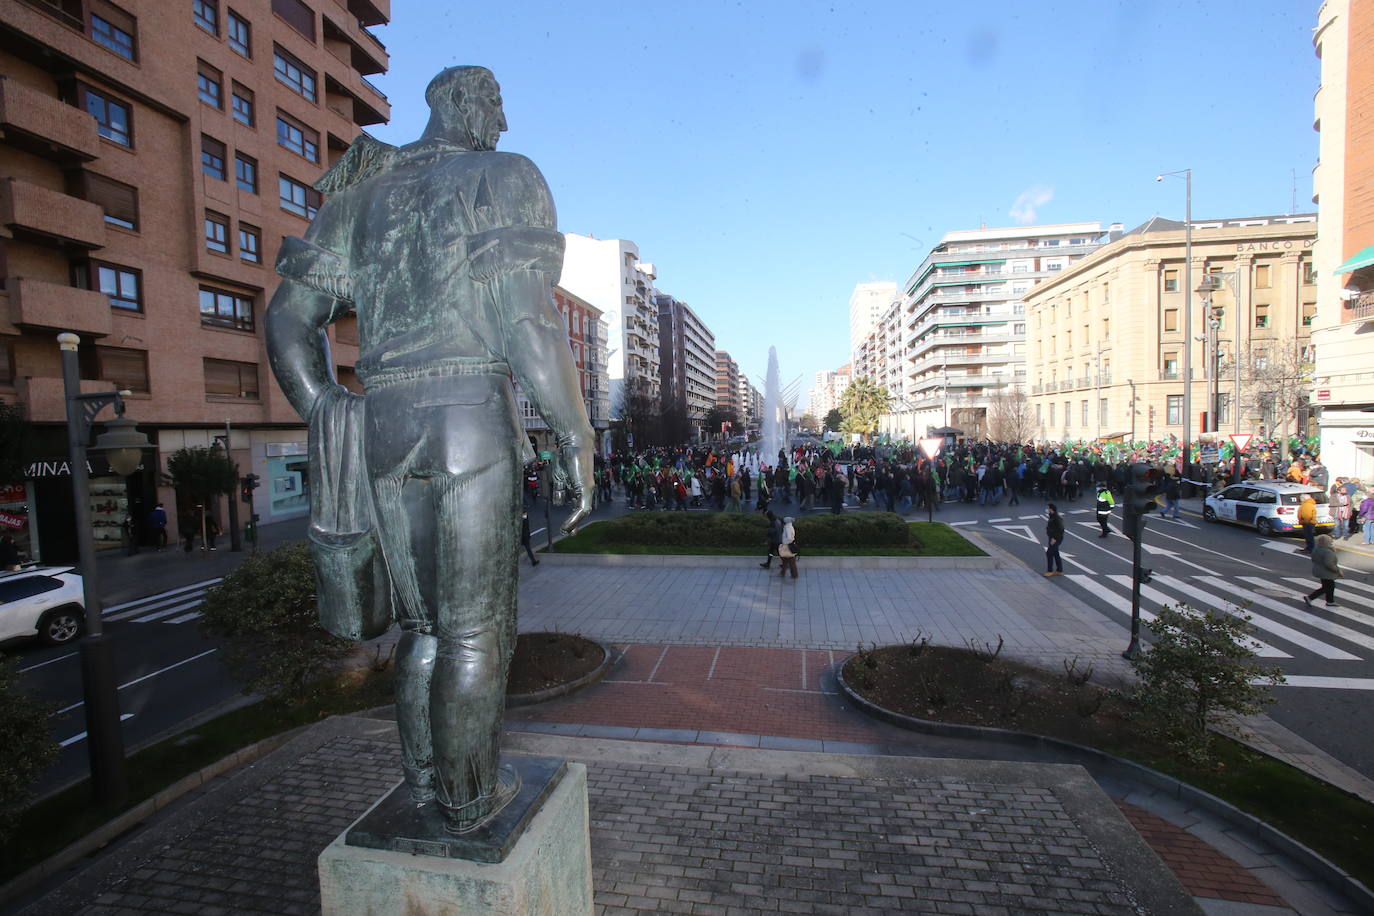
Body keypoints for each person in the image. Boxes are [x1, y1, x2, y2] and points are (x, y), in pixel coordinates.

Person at [267, 67, 594, 835]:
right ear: (459, 102)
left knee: (423, 631)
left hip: (380, 421)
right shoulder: (501, 176)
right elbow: (530, 319)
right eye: (496, 101)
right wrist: (574, 435)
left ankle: (422, 786)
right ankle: (469, 800)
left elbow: (288, 321)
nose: (503, 121)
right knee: (475, 630)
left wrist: (327, 412)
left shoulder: (358, 194)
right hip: (465, 414)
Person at [1303, 534, 1342, 608]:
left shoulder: (1316, 549)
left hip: (1318, 570)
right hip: (1327, 572)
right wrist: (1337, 570)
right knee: (1328, 587)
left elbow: (1313, 559)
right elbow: (1329, 564)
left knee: (1328, 586)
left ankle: (1330, 601)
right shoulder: (1328, 552)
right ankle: (1310, 597)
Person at [1044, 503, 1064, 576]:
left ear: (1051, 509)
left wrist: (1054, 538)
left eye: (1048, 508)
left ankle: (1050, 571)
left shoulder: (1056, 518)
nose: (1047, 509)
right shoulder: (1052, 516)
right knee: (1055, 553)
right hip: (1052, 537)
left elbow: (1061, 529)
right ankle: (1059, 570)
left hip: (1055, 538)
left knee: (1049, 553)